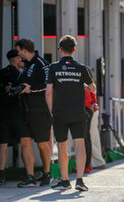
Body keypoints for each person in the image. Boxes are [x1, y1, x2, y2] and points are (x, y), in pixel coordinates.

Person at [46, 35, 95, 191]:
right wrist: (82, 86)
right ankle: (80, 180)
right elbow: (92, 88)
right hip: (78, 113)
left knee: (62, 146)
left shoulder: (53, 68)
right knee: (80, 144)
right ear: (74, 50)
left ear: (60, 50)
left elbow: (48, 92)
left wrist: (51, 111)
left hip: (59, 112)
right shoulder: (81, 68)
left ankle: (65, 181)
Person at [15, 39, 52, 187]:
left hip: (40, 111)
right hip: (25, 110)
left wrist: (31, 89)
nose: (18, 54)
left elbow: (49, 85)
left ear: (24, 50)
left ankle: (47, 173)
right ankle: (29, 176)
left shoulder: (42, 63)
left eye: (18, 51)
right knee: (25, 142)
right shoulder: (26, 65)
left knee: (42, 144)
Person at [0, 50, 28, 186]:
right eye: (19, 58)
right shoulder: (19, 75)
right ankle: (28, 173)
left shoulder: (1, 73)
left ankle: (1, 174)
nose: (21, 60)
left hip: (3, 113)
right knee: (25, 142)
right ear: (14, 59)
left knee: (2, 145)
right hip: (17, 113)